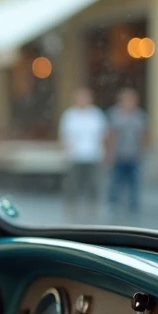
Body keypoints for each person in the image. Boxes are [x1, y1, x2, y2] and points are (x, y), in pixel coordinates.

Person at [58, 87, 109, 222]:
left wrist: (105, 154)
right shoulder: (70, 115)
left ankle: (91, 212)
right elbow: (65, 136)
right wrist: (66, 154)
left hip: (93, 156)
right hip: (75, 157)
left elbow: (103, 135)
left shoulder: (96, 114)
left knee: (93, 186)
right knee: (73, 186)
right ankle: (71, 212)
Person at [106, 87, 149, 218]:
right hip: (119, 156)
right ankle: (113, 207)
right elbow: (110, 135)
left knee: (134, 185)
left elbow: (144, 135)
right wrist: (108, 153)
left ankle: (132, 209)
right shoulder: (115, 114)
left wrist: (146, 149)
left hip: (134, 156)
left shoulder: (139, 116)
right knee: (115, 182)